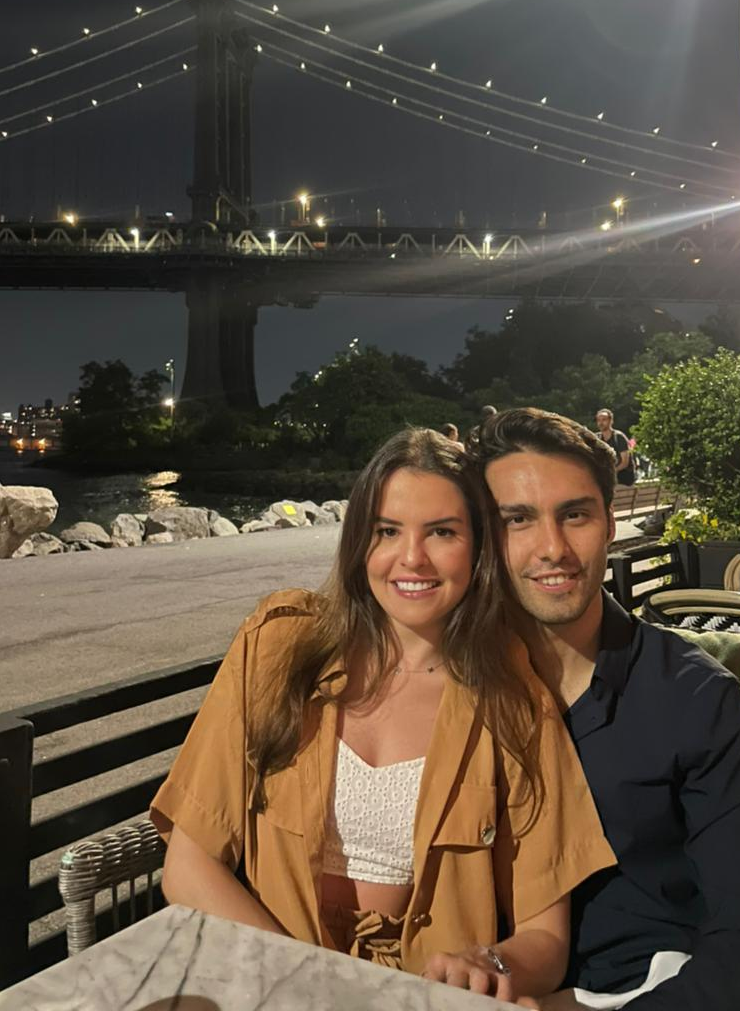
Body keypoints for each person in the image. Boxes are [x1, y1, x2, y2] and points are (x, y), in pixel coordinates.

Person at [151, 427, 615, 1002]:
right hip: (270, 979)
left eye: (442, 532)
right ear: (359, 543)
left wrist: (490, 962)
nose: (411, 558)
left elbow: (544, 937)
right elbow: (189, 866)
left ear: (478, 549)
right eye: (387, 531)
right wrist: (312, 987)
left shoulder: (513, 702)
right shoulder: (279, 648)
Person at [470, 407, 740, 1010]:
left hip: (647, 991)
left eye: (574, 514)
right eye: (516, 520)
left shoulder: (693, 697)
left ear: (609, 524)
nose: (552, 548)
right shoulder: (447, 687)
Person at [593, 409, 634, 487]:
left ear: (611, 421)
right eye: (598, 420)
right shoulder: (597, 438)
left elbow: (625, 463)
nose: (600, 423)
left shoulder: (618, 437)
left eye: (604, 420)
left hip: (623, 478)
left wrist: (610, 472)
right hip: (608, 478)